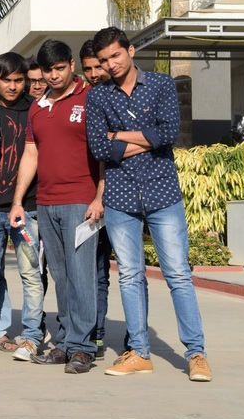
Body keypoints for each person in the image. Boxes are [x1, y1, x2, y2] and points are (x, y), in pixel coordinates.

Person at [86, 26, 211, 382]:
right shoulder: (98, 97)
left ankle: (196, 354)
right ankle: (139, 352)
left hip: (162, 193)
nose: (110, 64)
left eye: (115, 55)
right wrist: (147, 138)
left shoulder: (160, 84)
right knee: (129, 276)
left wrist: (117, 136)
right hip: (120, 197)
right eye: (104, 60)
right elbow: (99, 148)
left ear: (130, 51)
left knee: (178, 274)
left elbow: (169, 133)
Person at [9, 39, 104, 375]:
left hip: (81, 202)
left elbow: (103, 151)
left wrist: (99, 197)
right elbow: (30, 154)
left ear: (71, 65)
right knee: (61, 277)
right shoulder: (37, 107)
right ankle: (64, 343)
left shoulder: (90, 98)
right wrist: (18, 201)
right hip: (46, 203)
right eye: (48, 70)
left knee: (82, 276)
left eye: (59, 68)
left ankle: (83, 348)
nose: (53, 76)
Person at [0, 52, 44, 360]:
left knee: (31, 274)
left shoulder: (36, 108)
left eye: (19, 80)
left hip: (27, 207)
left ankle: (31, 336)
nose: (13, 86)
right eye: (6, 80)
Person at [80, 38, 114, 358]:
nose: (93, 74)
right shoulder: (81, 98)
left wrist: (100, 195)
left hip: (114, 198)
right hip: (86, 200)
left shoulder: (115, 96)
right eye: (87, 68)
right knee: (93, 271)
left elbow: (105, 154)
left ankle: (129, 337)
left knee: (123, 272)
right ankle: (93, 333)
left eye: (97, 67)